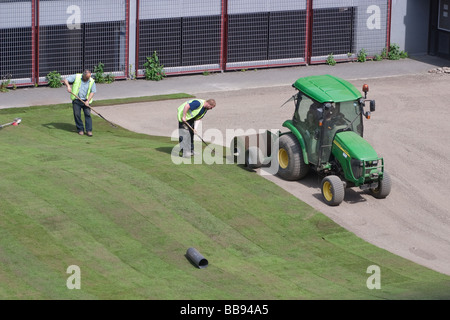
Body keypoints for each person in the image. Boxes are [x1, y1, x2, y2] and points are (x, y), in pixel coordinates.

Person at [63, 70, 97, 137]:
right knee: (77, 114)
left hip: (86, 101)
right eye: (87, 78)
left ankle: (89, 130)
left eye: (89, 77)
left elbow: (92, 92)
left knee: (87, 114)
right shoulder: (77, 77)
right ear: (83, 75)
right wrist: (68, 86)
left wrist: (88, 101)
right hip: (77, 100)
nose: (88, 79)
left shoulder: (91, 81)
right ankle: (80, 129)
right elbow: (65, 80)